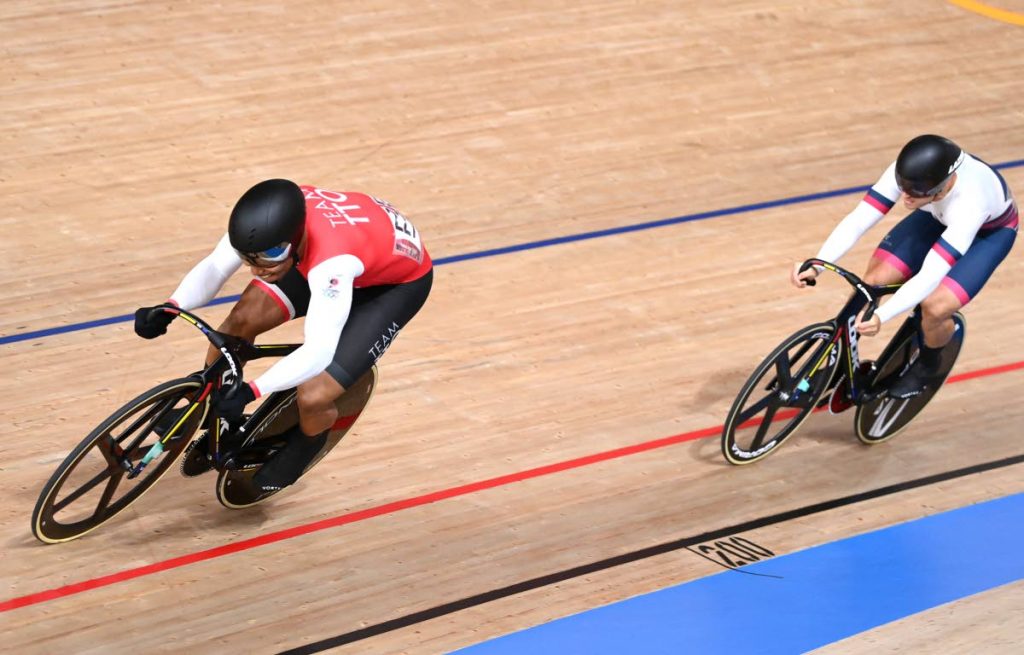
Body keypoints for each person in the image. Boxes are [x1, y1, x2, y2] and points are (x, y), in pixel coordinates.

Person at [133, 179, 433, 491]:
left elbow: (318, 351)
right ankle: (210, 404)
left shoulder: (332, 263)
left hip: (392, 287)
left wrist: (251, 390)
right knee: (240, 321)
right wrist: (171, 306)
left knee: (314, 393)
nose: (257, 268)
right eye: (249, 258)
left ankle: (308, 443)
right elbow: (216, 267)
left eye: (269, 256)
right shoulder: (269, 221)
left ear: (293, 237)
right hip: (344, 249)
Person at [792, 134, 1017, 398]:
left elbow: (931, 274)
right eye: (903, 188)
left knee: (934, 307)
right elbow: (859, 219)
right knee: (874, 281)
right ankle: (839, 362)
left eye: (915, 193)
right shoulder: (911, 175)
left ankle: (928, 366)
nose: (906, 198)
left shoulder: (970, 204)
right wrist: (819, 263)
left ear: (944, 187)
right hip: (934, 213)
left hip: (987, 234)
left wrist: (882, 316)